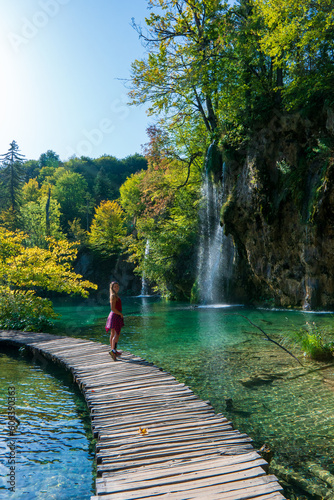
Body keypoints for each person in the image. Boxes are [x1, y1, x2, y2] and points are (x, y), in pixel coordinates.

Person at [105, 281, 124, 361]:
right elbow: (112, 308)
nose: (116, 288)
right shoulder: (113, 296)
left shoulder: (114, 295)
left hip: (113, 315)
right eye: (115, 287)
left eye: (117, 286)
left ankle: (114, 350)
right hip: (115, 315)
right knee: (117, 333)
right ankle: (113, 350)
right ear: (112, 288)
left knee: (113, 333)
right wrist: (120, 314)